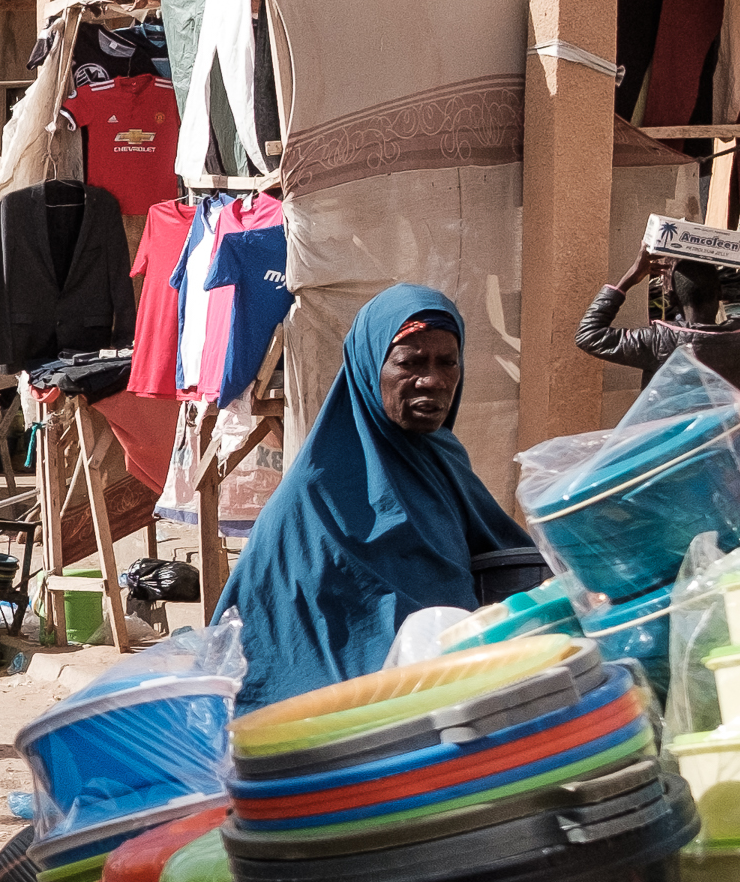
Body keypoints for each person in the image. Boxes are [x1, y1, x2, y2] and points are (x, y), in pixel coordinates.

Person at [219, 282, 533, 710]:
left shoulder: (442, 458)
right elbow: (282, 650)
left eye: (448, 362)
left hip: (458, 687)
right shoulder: (314, 495)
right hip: (356, 713)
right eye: (411, 363)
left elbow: (503, 555)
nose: (433, 381)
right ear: (370, 368)